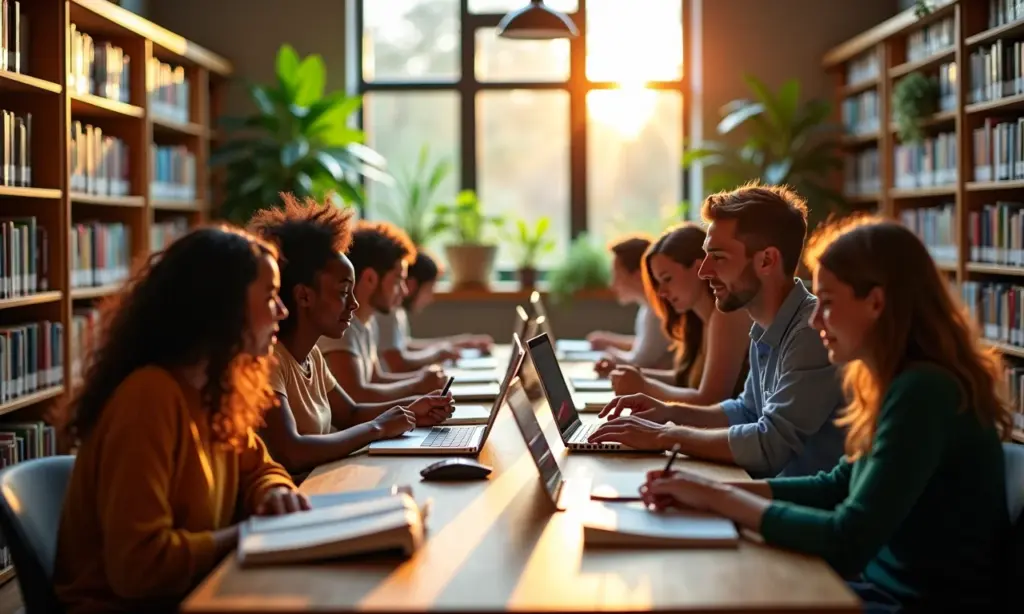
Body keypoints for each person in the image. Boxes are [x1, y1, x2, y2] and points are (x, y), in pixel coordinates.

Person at [640, 217, 1014, 611]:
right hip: (878, 589)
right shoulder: (893, 381)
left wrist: (720, 498)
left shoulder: (923, 392)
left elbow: (846, 541)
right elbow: (835, 487)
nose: (816, 319)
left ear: (876, 303)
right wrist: (705, 491)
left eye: (829, 303)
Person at [54, 225, 310, 613]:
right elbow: (138, 567)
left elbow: (259, 468)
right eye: (270, 296)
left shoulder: (215, 389)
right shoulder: (149, 398)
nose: (283, 310)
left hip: (193, 594)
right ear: (224, 308)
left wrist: (274, 492)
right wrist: (247, 535)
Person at [591, 183, 846, 478]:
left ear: (767, 260)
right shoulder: (765, 325)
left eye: (719, 257)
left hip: (793, 501)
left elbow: (769, 445)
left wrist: (664, 436)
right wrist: (667, 412)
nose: (704, 271)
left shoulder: (810, 332)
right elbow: (745, 411)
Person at [248, 196, 454, 476]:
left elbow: (350, 413)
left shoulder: (312, 356)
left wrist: (414, 409)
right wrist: (378, 428)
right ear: (304, 296)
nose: (354, 304)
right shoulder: (270, 361)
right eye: (344, 292)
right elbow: (292, 452)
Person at [600, 224, 750, 405]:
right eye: (658, 283)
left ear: (699, 268)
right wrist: (626, 374)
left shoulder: (727, 316)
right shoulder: (696, 321)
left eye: (667, 279)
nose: (661, 292)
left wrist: (644, 386)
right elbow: (682, 378)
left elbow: (710, 399)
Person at [318, 220, 447, 402]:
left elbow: (376, 380)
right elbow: (356, 396)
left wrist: (423, 382)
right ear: (370, 278)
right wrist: (417, 385)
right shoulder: (341, 328)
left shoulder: (368, 323)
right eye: (398, 280)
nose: (404, 291)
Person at [376, 250, 493, 373]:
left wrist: (458, 343)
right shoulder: (386, 313)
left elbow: (405, 345)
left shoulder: (397, 312)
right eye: (429, 290)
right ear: (412, 284)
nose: (430, 299)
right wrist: (436, 355)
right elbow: (397, 364)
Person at [590, 235, 673, 374]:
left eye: (617, 275)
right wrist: (610, 341)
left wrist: (610, 354)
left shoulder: (656, 312)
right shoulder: (647, 308)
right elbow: (646, 345)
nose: (612, 284)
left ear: (638, 275)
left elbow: (639, 362)